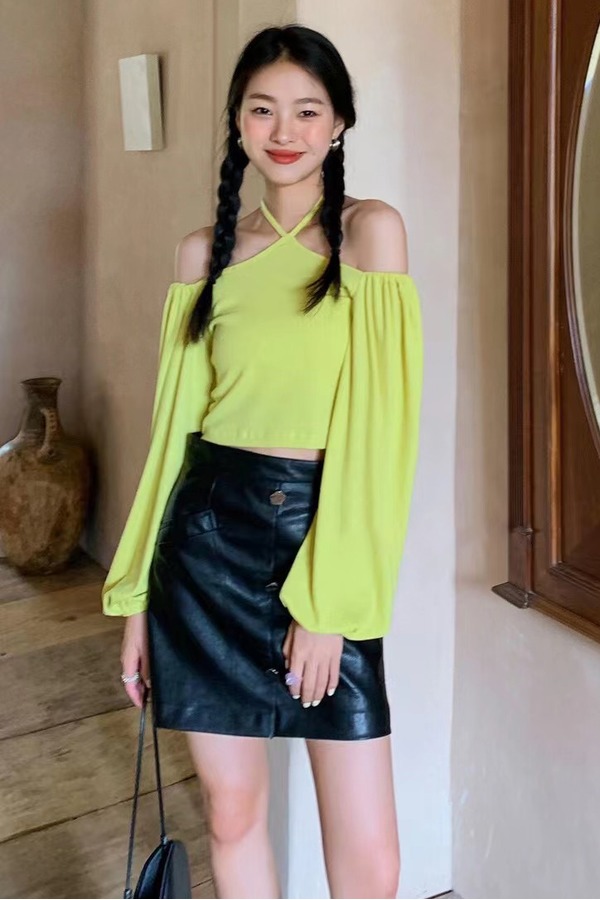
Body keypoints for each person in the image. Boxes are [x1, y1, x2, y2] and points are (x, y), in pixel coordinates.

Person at [101, 23, 423, 900]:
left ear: (340, 122)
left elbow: (382, 435)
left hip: (323, 535)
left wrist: (326, 603)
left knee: (371, 861)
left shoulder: (370, 236)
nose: (285, 130)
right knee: (232, 816)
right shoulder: (202, 256)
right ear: (238, 122)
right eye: (263, 109)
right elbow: (173, 436)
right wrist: (137, 601)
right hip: (205, 546)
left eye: (307, 110)